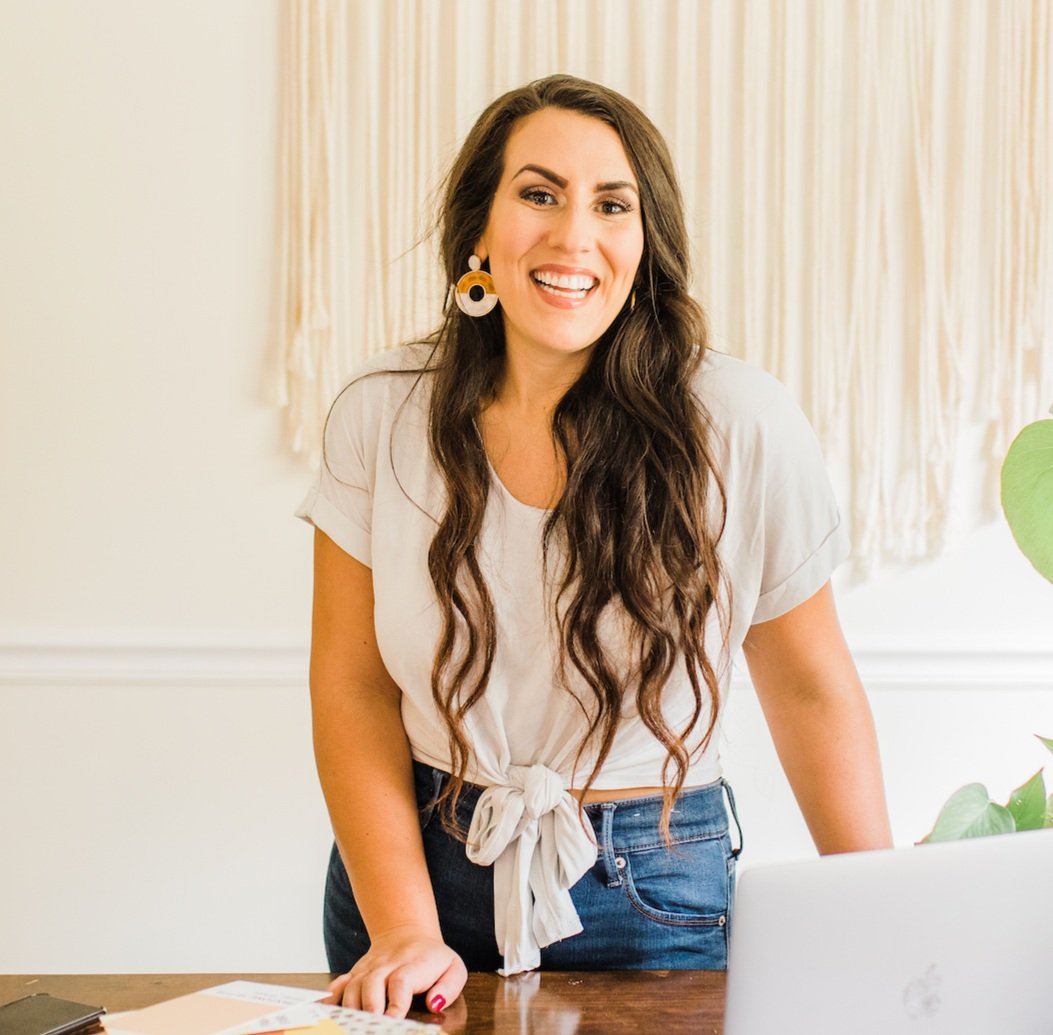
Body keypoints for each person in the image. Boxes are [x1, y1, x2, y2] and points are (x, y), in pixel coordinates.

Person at [296, 74, 892, 1020]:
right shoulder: (381, 411)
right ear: (478, 232)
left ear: (643, 242)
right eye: (538, 194)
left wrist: (888, 925)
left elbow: (810, 686)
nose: (573, 236)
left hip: (652, 884)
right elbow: (352, 681)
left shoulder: (737, 422)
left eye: (611, 205)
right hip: (410, 864)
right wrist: (405, 925)